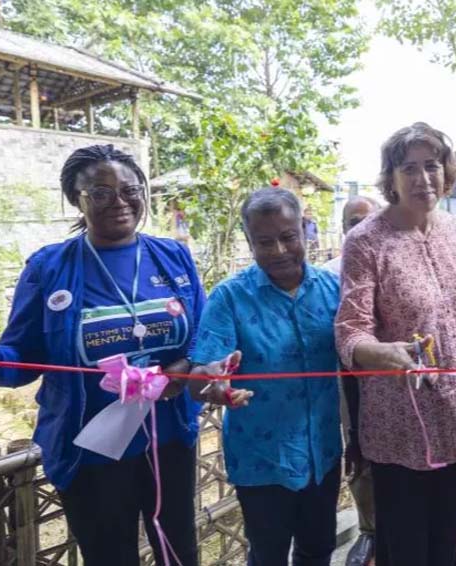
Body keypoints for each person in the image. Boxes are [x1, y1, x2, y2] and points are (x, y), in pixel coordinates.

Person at [0, 144, 235, 566]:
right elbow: (23, 355)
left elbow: (201, 334)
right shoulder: (50, 267)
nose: (119, 201)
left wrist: (185, 368)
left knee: (180, 553)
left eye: (129, 189)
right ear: (75, 199)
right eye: (99, 192)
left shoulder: (172, 255)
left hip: (168, 441)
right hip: (89, 449)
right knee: (110, 557)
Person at [335, 122, 456, 566]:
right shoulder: (366, 240)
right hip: (400, 418)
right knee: (404, 545)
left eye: (433, 166)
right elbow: (350, 328)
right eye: (410, 169)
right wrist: (380, 352)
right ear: (391, 178)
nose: (423, 178)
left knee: (445, 538)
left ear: (447, 172)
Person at [189, 187, 343, 566]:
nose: (278, 250)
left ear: (305, 231)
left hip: (322, 452)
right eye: (264, 241)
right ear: (249, 242)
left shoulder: (334, 290)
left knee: (318, 550)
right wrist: (214, 385)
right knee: (268, 556)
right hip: (262, 460)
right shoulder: (229, 298)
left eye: (288, 237)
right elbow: (201, 376)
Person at [321, 194, 381, 566]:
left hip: (396, 377)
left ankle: (401, 525)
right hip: (349, 378)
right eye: (351, 222)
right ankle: (370, 529)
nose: (359, 229)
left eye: (367, 221)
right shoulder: (329, 274)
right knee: (358, 449)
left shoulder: (395, 262)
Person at [322, 196, 380, 275]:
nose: (361, 230)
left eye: (369, 222)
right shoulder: (329, 274)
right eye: (354, 223)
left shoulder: (396, 271)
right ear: (344, 228)